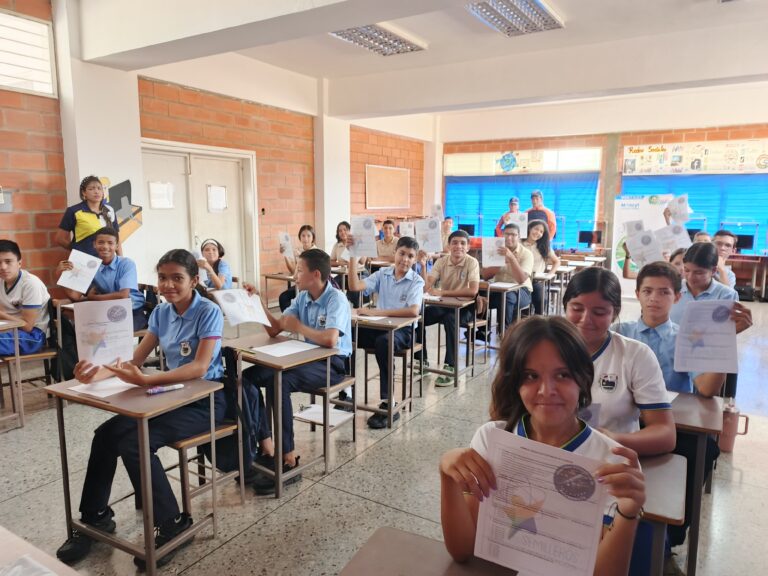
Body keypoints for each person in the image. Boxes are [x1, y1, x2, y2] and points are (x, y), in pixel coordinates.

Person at [56, 249, 227, 569]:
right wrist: (96, 371)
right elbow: (134, 361)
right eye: (163, 278)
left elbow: (199, 367)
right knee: (105, 435)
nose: (169, 285)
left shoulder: (208, 311)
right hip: (170, 393)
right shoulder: (161, 314)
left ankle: (173, 522)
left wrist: (148, 380)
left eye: (178, 278)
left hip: (205, 399)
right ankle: (96, 517)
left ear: (194, 280)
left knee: (135, 441)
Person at [439, 316, 645, 574]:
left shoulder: (610, 460)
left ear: (582, 379)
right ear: (515, 382)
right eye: (531, 376)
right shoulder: (492, 439)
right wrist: (447, 476)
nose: (547, 390)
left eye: (563, 375)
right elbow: (462, 551)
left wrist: (628, 514)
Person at [242, 249, 352, 494]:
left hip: (331, 364)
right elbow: (275, 330)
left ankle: (289, 458)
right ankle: (266, 447)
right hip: (304, 357)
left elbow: (331, 340)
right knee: (247, 378)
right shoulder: (301, 297)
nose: (295, 275)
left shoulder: (336, 299)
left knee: (278, 382)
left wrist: (300, 327)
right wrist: (257, 302)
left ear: (315, 274)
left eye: (299, 270)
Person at [562, 267, 676, 456]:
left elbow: (665, 434)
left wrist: (611, 440)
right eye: (576, 308)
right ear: (565, 306)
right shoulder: (545, 350)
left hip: (611, 462)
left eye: (599, 312)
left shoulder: (635, 355)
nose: (585, 319)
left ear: (614, 313)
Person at [347, 237, 424, 429]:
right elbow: (355, 287)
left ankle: (389, 402)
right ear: (395, 253)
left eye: (410, 256)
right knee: (346, 332)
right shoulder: (383, 273)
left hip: (403, 330)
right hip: (379, 326)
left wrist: (376, 312)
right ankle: (345, 392)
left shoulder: (416, 280)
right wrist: (352, 257)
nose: (405, 259)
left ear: (415, 259)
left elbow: (414, 311)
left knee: (384, 342)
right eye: (402, 254)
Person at [417, 230, 479, 386]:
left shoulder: (472, 262)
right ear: (448, 245)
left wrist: (443, 292)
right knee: (418, 318)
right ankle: (421, 360)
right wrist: (423, 266)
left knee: (451, 319)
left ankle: (450, 366)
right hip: (444, 305)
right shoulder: (442, 261)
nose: (458, 246)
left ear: (468, 247)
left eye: (463, 243)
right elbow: (426, 287)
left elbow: (472, 291)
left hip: (466, 308)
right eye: (455, 243)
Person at [57, 227, 147, 331]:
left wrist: (93, 298)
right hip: (105, 310)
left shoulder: (126, 264)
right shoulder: (90, 266)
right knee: (82, 328)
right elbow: (75, 296)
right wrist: (60, 276)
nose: (105, 246)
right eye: (101, 242)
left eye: (110, 243)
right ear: (94, 244)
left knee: (109, 330)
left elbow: (123, 295)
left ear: (117, 246)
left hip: (132, 311)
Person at [478, 223, 533, 339]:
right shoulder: (495, 249)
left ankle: (506, 334)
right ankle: (482, 330)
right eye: (507, 234)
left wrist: (512, 259)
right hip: (498, 290)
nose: (509, 238)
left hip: (522, 290)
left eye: (513, 235)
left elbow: (521, 279)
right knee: (479, 294)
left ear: (519, 237)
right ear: (502, 235)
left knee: (508, 297)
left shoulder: (526, 254)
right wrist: (499, 261)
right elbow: (486, 276)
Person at [0, 239, 50, 356]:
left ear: (19, 263)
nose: (3, 267)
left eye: (8, 261)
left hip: (33, 336)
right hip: (10, 330)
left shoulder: (30, 283)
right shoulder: (1, 282)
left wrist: (1, 315)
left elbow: (27, 326)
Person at [670, 242, 739, 324]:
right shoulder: (672, 288)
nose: (690, 277)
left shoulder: (726, 295)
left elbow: (726, 330)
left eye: (698, 273)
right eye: (687, 270)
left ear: (713, 271)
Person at [56, 176, 120, 258]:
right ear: (84, 193)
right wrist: (77, 250)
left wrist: (120, 260)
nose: (96, 191)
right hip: (84, 263)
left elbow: (117, 238)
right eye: (91, 189)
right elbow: (59, 238)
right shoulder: (74, 211)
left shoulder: (110, 210)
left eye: (99, 188)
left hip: (107, 262)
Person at [522, 219, 561, 314]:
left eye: (541, 231)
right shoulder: (520, 243)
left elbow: (556, 261)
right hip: (521, 280)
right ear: (530, 228)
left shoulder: (544, 246)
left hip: (537, 281)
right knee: (521, 303)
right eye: (536, 229)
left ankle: (538, 321)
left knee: (541, 298)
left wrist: (549, 275)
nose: (538, 233)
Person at [278, 224, 318, 312]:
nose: (305, 238)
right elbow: (293, 270)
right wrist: (285, 255)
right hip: (300, 285)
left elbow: (311, 271)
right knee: (283, 297)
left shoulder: (316, 252)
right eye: (303, 236)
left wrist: (301, 257)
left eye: (308, 236)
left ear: (313, 238)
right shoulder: (298, 251)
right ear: (300, 237)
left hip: (312, 286)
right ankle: (289, 320)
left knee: (301, 300)